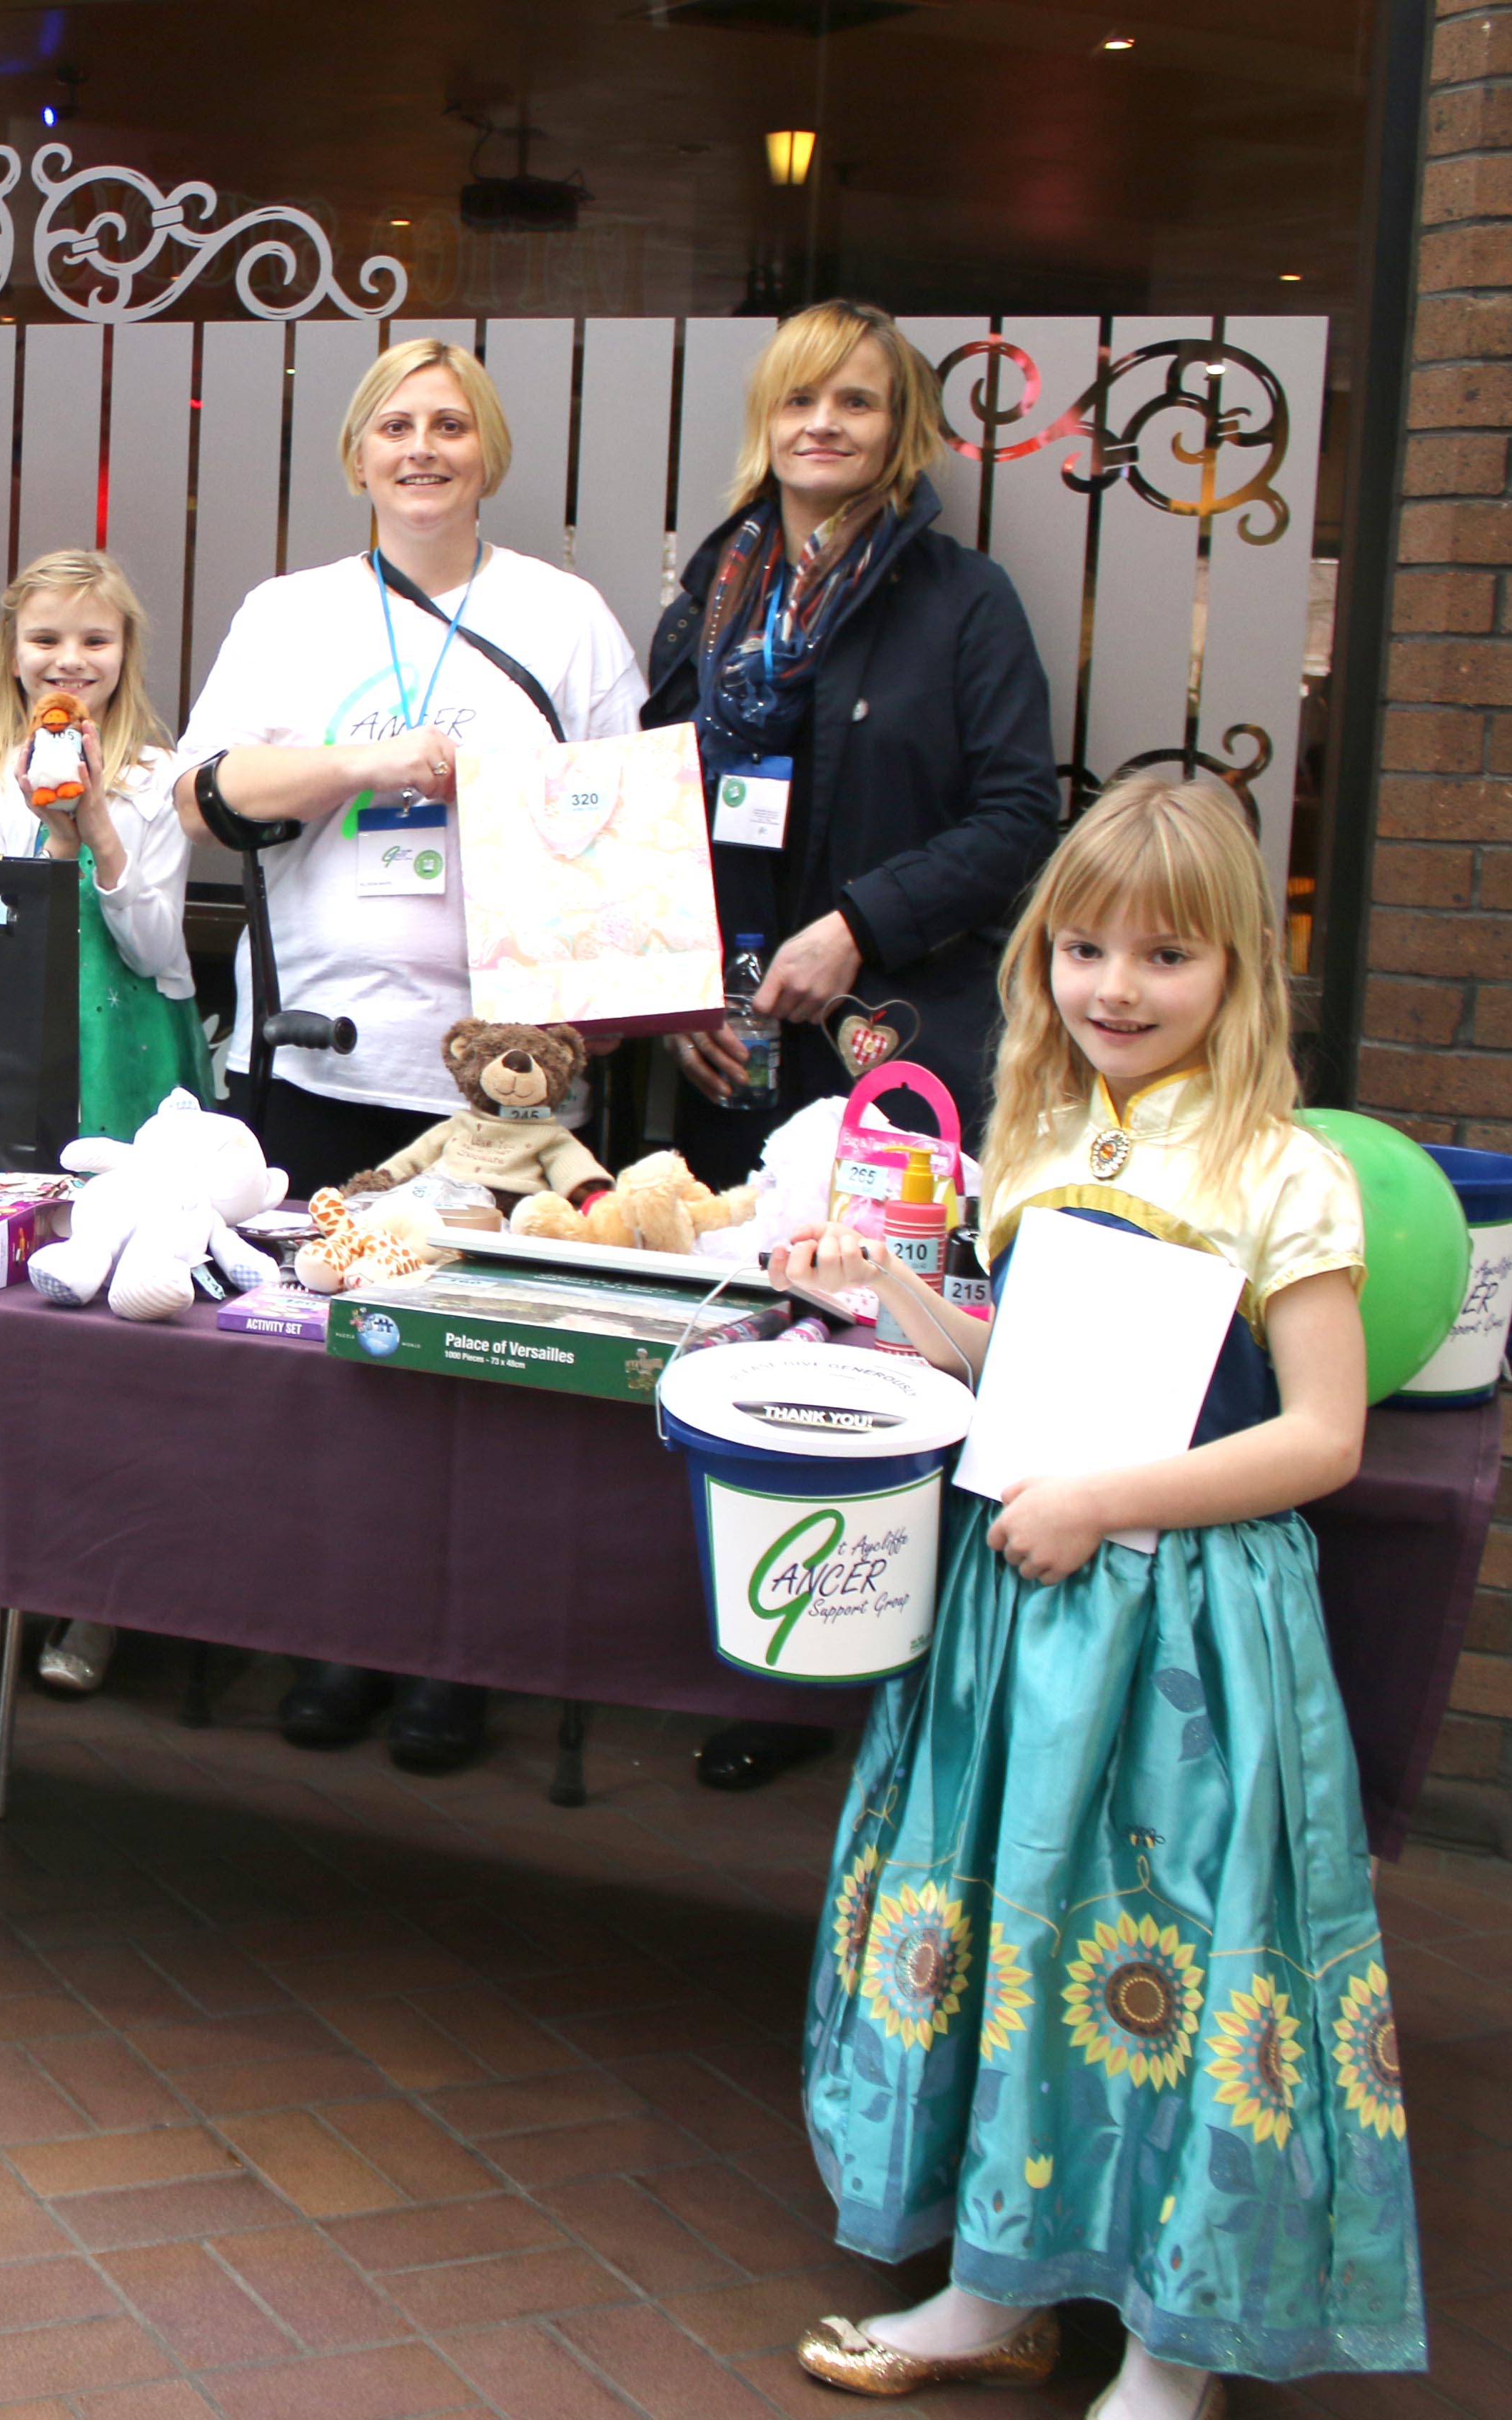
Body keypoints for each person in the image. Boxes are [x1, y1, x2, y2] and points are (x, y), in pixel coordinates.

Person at [777, 774, 1420, 2417]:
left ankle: (1170, 2337)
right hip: (1031, 1597)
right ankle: (997, 2279)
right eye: (1082, 949)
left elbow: (1322, 1437)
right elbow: (1032, 1369)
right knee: (1022, 1930)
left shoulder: (1285, 1173)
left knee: (1167, 1954)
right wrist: (888, 1290)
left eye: (1167, 955)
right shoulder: (1044, 1135)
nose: (1116, 987)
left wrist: (1104, 1503)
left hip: (1187, 1627)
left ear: (1238, 976)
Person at [171, 336, 645, 1771]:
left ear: (485, 451)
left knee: (481, 1377)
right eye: (397, 427)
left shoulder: (565, 622)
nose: (423, 449)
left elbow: (617, 832)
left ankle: (455, 1657)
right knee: (331, 1368)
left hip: (502, 1085)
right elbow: (208, 797)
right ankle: (339, 1639)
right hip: (315, 1057)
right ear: (358, 456)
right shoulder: (290, 614)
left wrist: (587, 1017)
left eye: (449, 425)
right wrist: (365, 766)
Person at [645, 298, 1060, 1794]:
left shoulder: (963, 600)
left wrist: (859, 928)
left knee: (896, 1351)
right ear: (769, 415)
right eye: (805, 399)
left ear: (906, 433)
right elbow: (648, 806)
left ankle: (894, 1665)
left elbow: (1022, 818)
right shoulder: (711, 594)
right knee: (752, 1328)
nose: (828, 426)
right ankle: (763, 1644)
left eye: (863, 405)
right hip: (730, 1041)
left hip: (896, 1047)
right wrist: (679, 987)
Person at [0, 546, 208, 1695]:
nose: (70, 660)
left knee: (112, 1327)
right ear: (13, 652)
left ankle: (97, 1596)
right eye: (47, 639)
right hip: (10, 1057)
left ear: (125, 653)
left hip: (131, 1050)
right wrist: (45, 823)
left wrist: (100, 816)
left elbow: (156, 946)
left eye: (94, 641)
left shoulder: (163, 773)